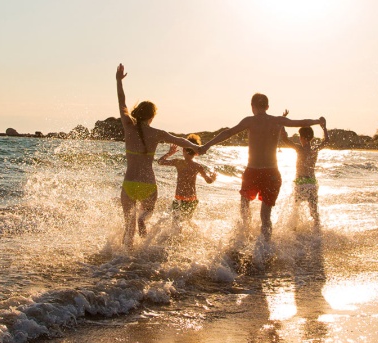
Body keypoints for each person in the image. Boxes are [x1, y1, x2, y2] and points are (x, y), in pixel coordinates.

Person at [199, 93, 325, 241]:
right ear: (267, 107)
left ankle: (244, 236)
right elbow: (301, 122)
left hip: (253, 171)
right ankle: (265, 248)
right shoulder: (277, 121)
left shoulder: (250, 121)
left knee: (245, 204)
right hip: (272, 172)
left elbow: (228, 132)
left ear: (252, 106)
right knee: (266, 216)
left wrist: (206, 145)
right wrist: (318, 121)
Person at [116, 63, 200, 248]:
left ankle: (122, 263)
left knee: (128, 229)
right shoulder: (157, 133)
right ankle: (144, 249)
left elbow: (122, 102)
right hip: (148, 184)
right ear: (152, 116)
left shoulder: (128, 126)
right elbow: (180, 140)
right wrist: (198, 147)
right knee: (144, 217)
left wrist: (118, 81)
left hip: (129, 183)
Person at [280, 110, 329, 226]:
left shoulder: (299, 149)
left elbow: (284, 139)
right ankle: (317, 233)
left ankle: (294, 231)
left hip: (301, 183)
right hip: (311, 183)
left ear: (302, 137)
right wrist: (324, 127)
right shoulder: (315, 149)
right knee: (314, 212)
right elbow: (327, 141)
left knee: (296, 210)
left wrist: (282, 121)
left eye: (300, 137)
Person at [158, 134, 217, 224]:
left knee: (175, 222)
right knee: (187, 222)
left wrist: (169, 153)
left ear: (183, 149)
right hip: (192, 199)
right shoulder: (197, 166)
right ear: (196, 153)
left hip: (178, 198)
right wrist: (213, 177)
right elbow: (208, 181)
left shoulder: (178, 162)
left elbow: (160, 161)